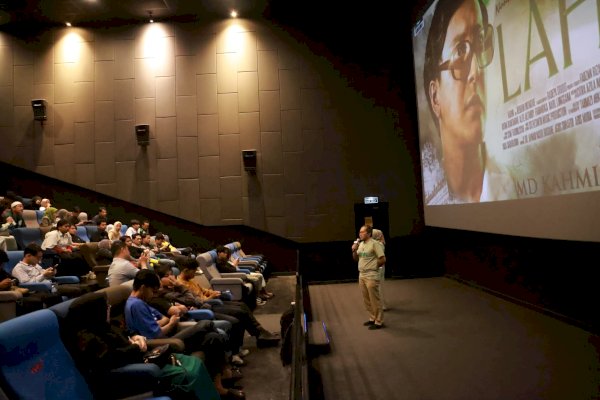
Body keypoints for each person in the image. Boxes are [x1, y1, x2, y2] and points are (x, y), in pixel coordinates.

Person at [422, 0, 511, 204]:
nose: (476, 72)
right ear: (435, 97)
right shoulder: (433, 198)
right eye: (460, 51)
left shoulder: (512, 186)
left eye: (480, 44)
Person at [62, 291, 221, 400]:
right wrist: (137, 347)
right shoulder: (88, 339)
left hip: (144, 358)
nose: (109, 308)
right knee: (189, 373)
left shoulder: (105, 326)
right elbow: (112, 358)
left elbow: (125, 337)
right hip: (134, 373)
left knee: (196, 362)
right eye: (106, 306)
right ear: (95, 312)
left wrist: (135, 337)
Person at [125, 270, 245, 399]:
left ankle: (219, 386)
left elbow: (165, 317)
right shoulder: (136, 305)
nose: (152, 295)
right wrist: (169, 323)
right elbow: (156, 334)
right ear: (143, 288)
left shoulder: (142, 302)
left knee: (213, 337)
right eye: (152, 291)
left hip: (169, 335)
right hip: (163, 345)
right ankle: (225, 372)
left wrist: (166, 321)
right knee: (205, 324)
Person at [12, 243, 86, 299]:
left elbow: (44, 274)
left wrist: (51, 273)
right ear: (28, 256)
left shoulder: (35, 265)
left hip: (52, 286)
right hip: (40, 291)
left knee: (84, 287)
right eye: (38, 258)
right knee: (76, 290)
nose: (40, 261)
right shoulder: (19, 268)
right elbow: (28, 285)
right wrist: (44, 275)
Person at [351, 225, 386, 329]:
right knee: (366, 299)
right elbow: (356, 259)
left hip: (371, 274)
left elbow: (382, 259)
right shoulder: (361, 244)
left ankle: (379, 321)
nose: (360, 234)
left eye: (362, 232)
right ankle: (372, 318)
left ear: (369, 233)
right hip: (361, 275)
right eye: (360, 232)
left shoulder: (375, 244)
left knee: (375, 299)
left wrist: (373, 267)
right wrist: (354, 250)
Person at [371, 229, 387, 311]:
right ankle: (380, 304)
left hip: (378, 267)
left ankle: (381, 305)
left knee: (378, 286)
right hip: (377, 267)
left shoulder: (378, 245)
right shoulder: (376, 244)